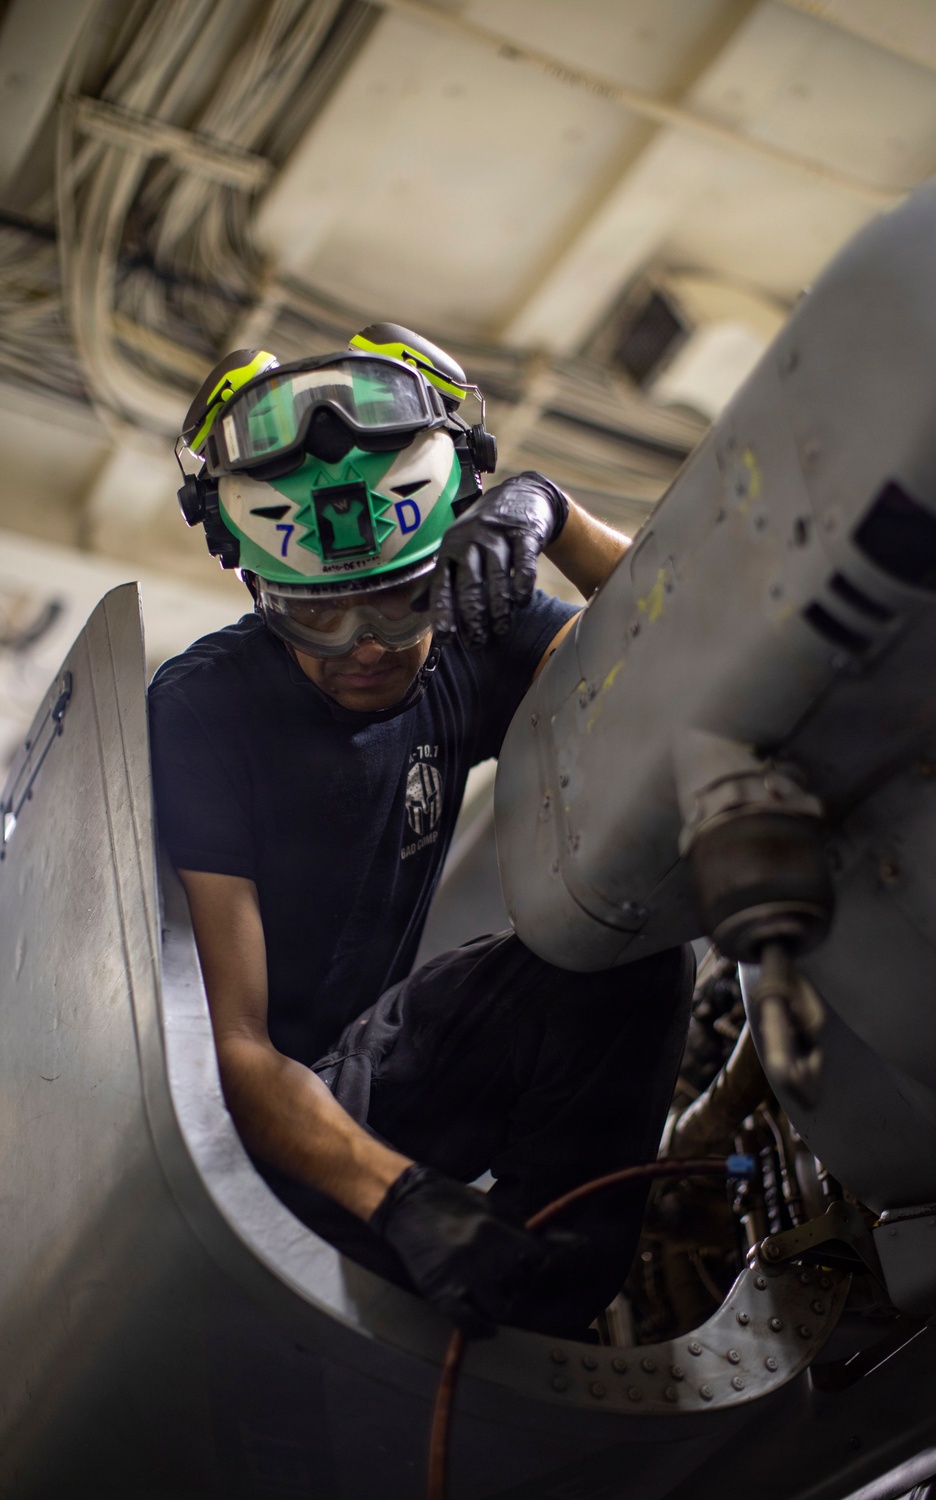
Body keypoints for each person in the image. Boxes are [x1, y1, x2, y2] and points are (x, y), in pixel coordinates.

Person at [149, 325, 693, 1338]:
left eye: (402, 601)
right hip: (228, 1132)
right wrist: (400, 1197)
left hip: (375, 1075)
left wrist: (554, 513)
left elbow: (687, 640)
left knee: (629, 956)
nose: (365, 647)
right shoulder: (200, 716)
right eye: (317, 615)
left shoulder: (472, 641)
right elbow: (233, 1044)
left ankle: (547, 1308)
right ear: (257, 587)